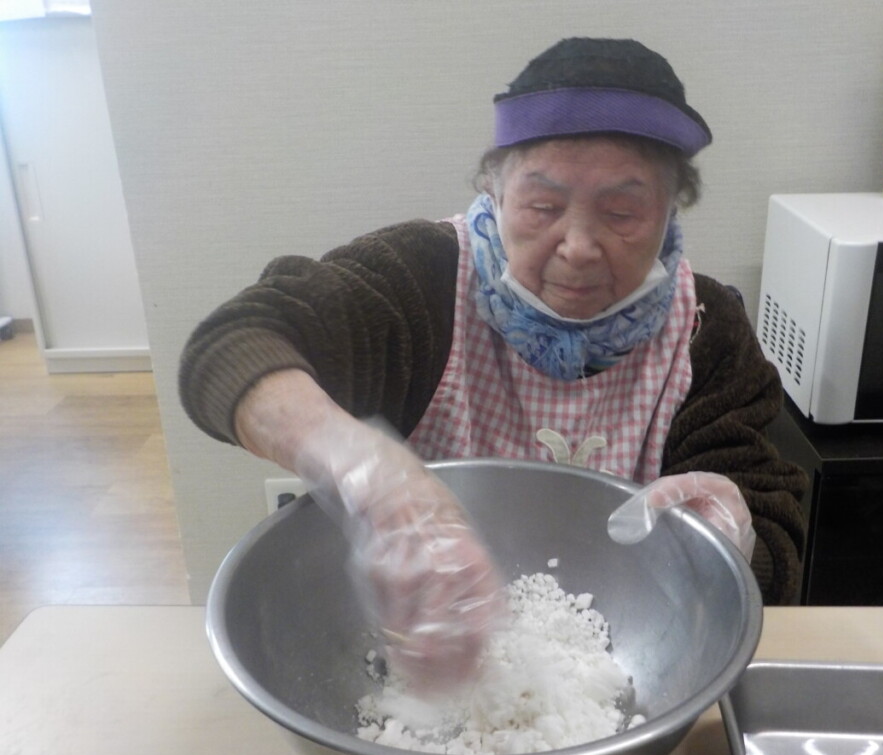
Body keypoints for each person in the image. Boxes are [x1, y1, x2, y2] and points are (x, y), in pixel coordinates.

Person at [179, 37, 806, 690]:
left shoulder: (704, 329)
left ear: (671, 208)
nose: (578, 247)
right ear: (495, 190)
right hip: (408, 650)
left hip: (619, 657)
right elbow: (231, 345)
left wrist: (730, 544)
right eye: (542, 207)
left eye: (622, 212)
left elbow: (777, 549)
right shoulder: (422, 281)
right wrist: (364, 468)